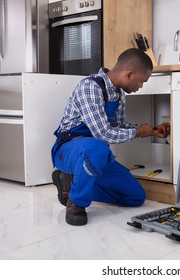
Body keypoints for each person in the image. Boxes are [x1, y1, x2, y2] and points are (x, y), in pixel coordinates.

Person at [51, 48, 169, 226]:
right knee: (98, 146)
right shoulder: (90, 87)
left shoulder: (118, 93)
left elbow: (116, 126)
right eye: (142, 81)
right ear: (129, 74)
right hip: (69, 150)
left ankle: (70, 184)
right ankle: (76, 204)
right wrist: (137, 132)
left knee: (135, 196)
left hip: (95, 156)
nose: (141, 86)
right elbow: (103, 132)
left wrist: (150, 131)